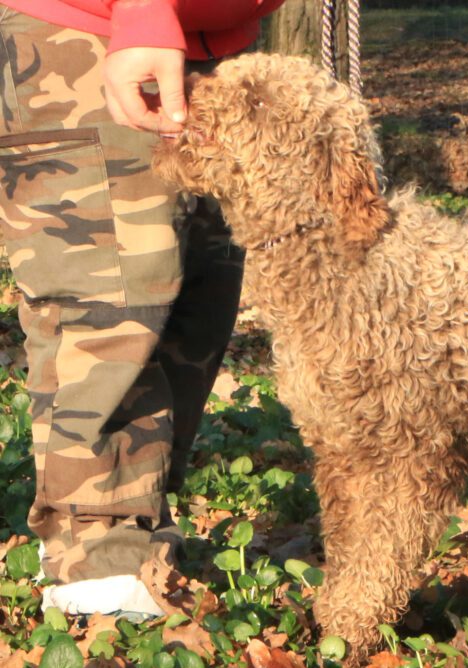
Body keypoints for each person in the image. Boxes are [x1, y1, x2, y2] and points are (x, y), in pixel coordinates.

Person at [0, 0, 285, 616]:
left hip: (211, 42)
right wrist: (144, 10)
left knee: (201, 299)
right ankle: (96, 564)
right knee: (109, 300)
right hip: (95, 32)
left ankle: (141, 524)